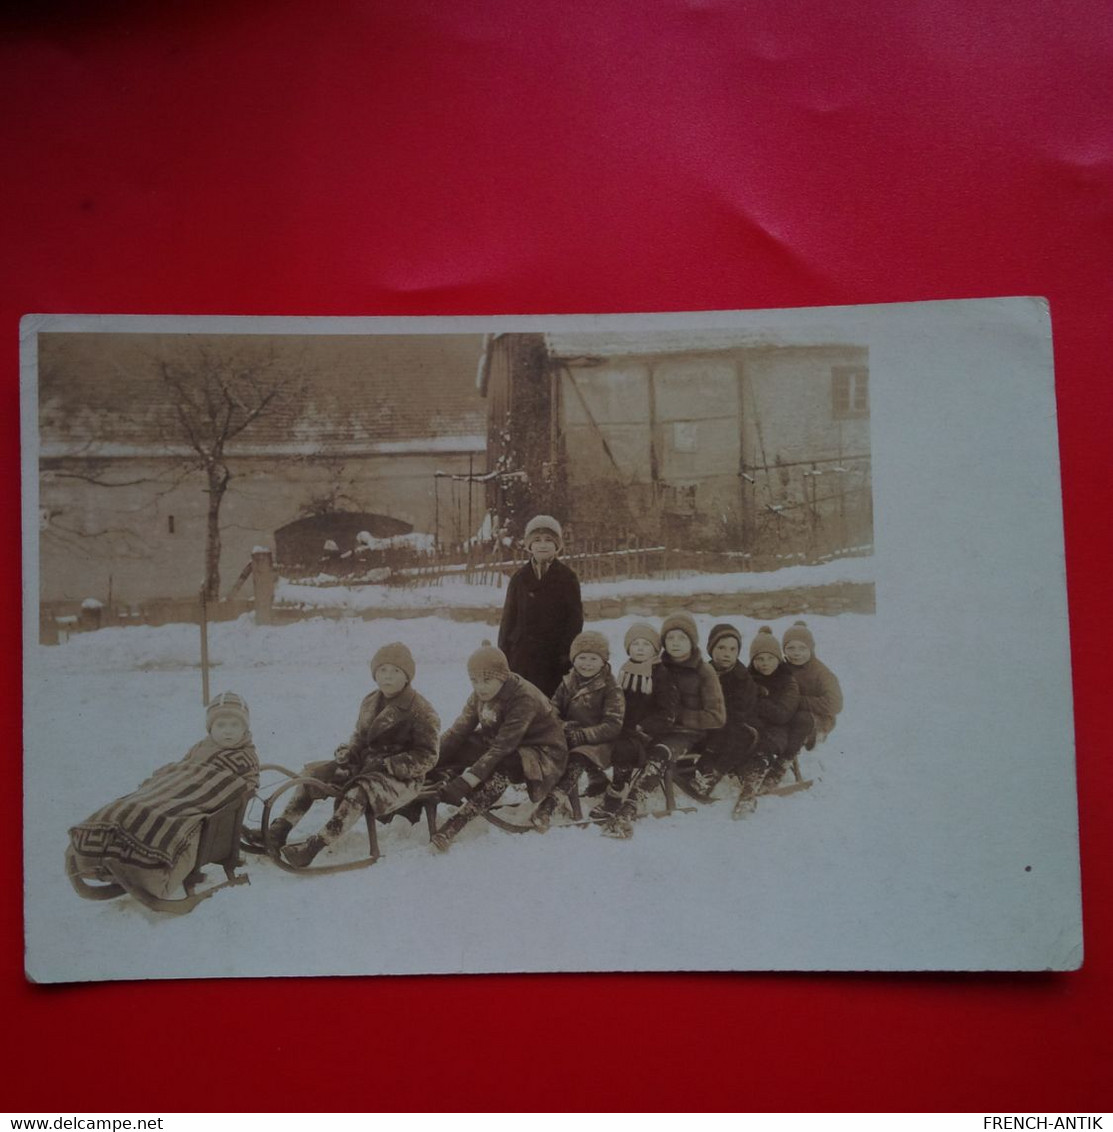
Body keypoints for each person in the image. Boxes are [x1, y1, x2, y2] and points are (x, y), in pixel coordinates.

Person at [67, 692, 260, 900]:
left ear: (244, 728)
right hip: (175, 790)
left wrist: (221, 785)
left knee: (161, 817)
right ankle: (103, 857)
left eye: (234, 725)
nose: (228, 731)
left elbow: (243, 786)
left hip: (197, 803)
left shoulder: (245, 755)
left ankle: (150, 872)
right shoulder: (202, 747)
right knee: (132, 805)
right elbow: (184, 769)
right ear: (210, 728)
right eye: (221, 725)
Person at [270, 643, 440, 867]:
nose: (387, 676)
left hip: (400, 778)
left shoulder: (421, 710)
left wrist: (390, 764)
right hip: (365, 765)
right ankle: (280, 829)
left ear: (407, 676)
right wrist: (348, 751)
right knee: (313, 773)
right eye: (382, 670)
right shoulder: (370, 701)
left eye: (395, 671)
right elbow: (360, 735)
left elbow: (428, 756)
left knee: (359, 792)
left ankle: (315, 846)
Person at [431, 641, 567, 852]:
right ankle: (431, 786)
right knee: (462, 744)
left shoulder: (523, 697)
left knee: (505, 764)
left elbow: (503, 746)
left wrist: (467, 781)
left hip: (541, 751)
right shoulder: (480, 694)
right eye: (474, 680)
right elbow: (458, 730)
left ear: (502, 676)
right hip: (501, 741)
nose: (480, 687)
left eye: (487, 680)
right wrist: (430, 760)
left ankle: (458, 821)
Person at [602, 611, 725, 839]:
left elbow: (716, 716)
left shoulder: (703, 671)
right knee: (625, 745)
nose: (675, 643)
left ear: (692, 641)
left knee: (658, 755)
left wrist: (675, 717)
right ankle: (614, 790)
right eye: (670, 638)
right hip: (653, 727)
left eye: (682, 638)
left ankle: (630, 807)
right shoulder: (654, 665)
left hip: (686, 733)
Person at [534, 629, 625, 830]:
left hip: (599, 740)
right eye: (582, 657)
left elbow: (613, 724)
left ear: (603, 661)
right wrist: (557, 725)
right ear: (574, 659)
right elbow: (553, 708)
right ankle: (591, 780)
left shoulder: (610, 687)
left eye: (593, 658)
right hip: (573, 734)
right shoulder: (568, 682)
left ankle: (550, 804)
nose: (587, 663)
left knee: (577, 758)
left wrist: (584, 734)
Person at [590, 622, 680, 822]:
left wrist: (643, 726)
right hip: (624, 728)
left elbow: (667, 712)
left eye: (646, 645)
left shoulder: (661, 675)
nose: (640, 648)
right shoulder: (625, 671)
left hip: (647, 733)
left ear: (655, 650)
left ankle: (617, 791)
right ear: (628, 647)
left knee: (623, 748)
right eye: (635, 644)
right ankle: (596, 779)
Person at [497, 514, 583, 697]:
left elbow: (575, 620)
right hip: (522, 658)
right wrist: (505, 655)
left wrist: (567, 654)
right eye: (537, 540)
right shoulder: (519, 578)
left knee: (550, 707)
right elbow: (508, 620)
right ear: (529, 546)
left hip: (554, 659)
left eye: (548, 540)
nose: (542, 545)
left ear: (557, 545)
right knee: (523, 704)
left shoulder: (567, 578)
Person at [734, 626, 801, 818]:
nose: (765, 664)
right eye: (759, 659)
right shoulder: (747, 678)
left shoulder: (787, 681)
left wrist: (758, 701)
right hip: (754, 725)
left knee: (768, 747)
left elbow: (782, 715)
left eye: (770, 658)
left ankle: (748, 792)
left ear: (778, 659)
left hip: (779, 728)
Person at [691, 623, 762, 795]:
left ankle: (712, 774)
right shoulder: (702, 672)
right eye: (721, 648)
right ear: (711, 649)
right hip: (705, 726)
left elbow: (740, 712)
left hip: (731, 728)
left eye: (732, 649)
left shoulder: (742, 678)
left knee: (739, 734)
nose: (726, 654)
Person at [781, 620, 844, 769]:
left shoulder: (822, 673)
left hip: (817, 720)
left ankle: (784, 762)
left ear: (811, 648)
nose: (796, 653)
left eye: (802, 648)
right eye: (791, 648)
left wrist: (798, 701)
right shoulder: (782, 668)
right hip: (788, 714)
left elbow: (835, 704)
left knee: (801, 718)